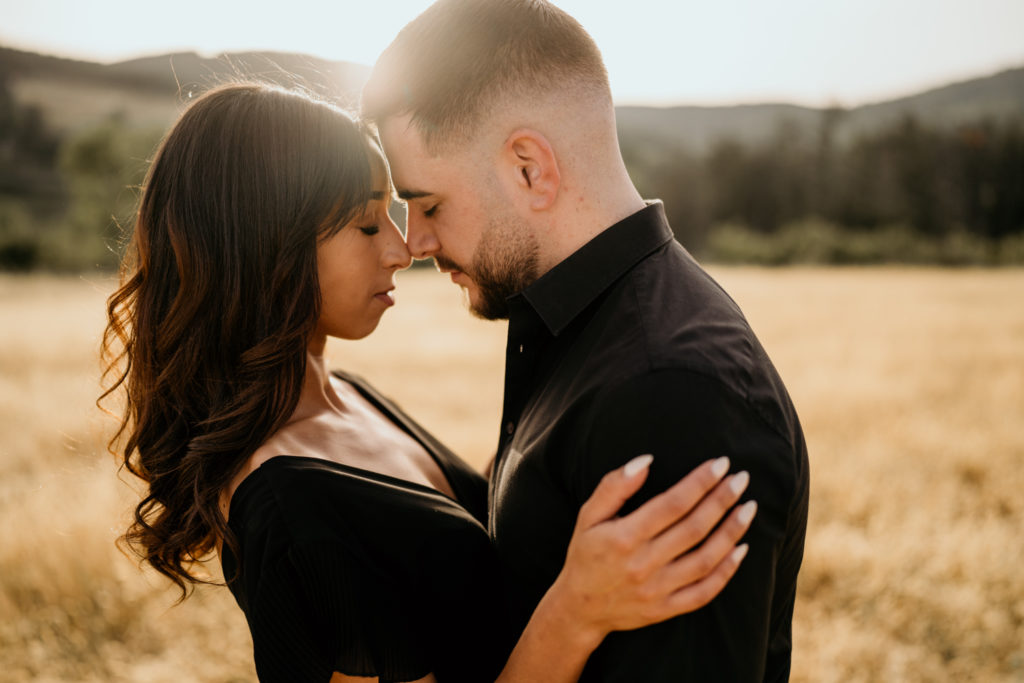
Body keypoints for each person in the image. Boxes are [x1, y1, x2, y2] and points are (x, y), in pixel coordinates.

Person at [101, 82, 758, 683]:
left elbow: (442, 562)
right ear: (264, 246)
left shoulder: (350, 395)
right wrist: (577, 610)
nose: (402, 246)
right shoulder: (286, 508)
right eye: (366, 223)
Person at [361, 0, 811, 680]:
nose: (416, 241)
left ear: (529, 169)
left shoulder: (671, 394)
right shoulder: (567, 327)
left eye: (429, 204)